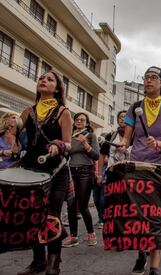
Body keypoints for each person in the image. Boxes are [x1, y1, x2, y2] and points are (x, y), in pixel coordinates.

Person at [119, 66, 161, 275]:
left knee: (156, 217)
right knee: (137, 216)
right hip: (137, 168)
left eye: (153, 78)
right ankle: (140, 255)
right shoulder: (135, 107)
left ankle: (154, 268)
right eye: (146, 77)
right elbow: (127, 138)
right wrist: (122, 144)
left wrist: (159, 144)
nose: (148, 81)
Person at [18, 70, 72, 275]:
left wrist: (59, 145)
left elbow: (69, 144)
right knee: (33, 217)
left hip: (56, 172)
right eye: (42, 78)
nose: (44, 80)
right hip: (31, 171)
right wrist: (12, 127)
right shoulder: (28, 111)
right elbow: (16, 130)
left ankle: (53, 264)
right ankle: (38, 261)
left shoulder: (62, 112)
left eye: (50, 79)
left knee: (51, 218)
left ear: (57, 88)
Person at [62, 112, 99, 248]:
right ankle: (73, 236)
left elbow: (96, 156)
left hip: (85, 172)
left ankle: (91, 234)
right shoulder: (70, 136)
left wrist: (85, 144)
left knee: (82, 206)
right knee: (71, 205)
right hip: (71, 171)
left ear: (87, 123)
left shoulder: (90, 136)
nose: (79, 121)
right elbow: (66, 154)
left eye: (82, 120)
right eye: (77, 119)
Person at [96, 110, 128, 228]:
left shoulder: (135, 135)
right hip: (111, 173)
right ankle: (110, 225)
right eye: (120, 117)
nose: (122, 119)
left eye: (125, 117)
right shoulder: (111, 136)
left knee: (125, 201)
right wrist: (99, 174)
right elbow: (102, 155)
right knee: (107, 201)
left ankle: (124, 225)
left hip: (129, 174)